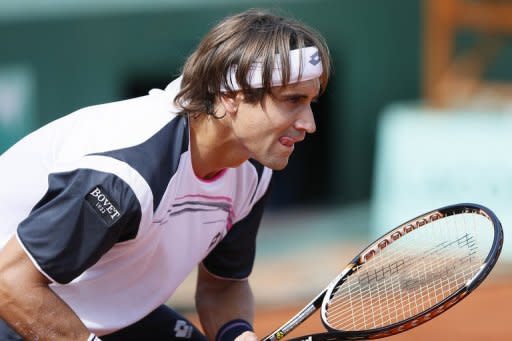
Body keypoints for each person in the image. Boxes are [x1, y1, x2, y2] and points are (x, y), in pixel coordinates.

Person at [0, 8, 330, 341]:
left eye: (311, 103)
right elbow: (10, 283)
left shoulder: (253, 167)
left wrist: (238, 336)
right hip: (15, 304)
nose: (309, 123)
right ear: (232, 95)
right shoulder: (128, 173)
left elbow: (222, 286)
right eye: (292, 101)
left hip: (105, 310)